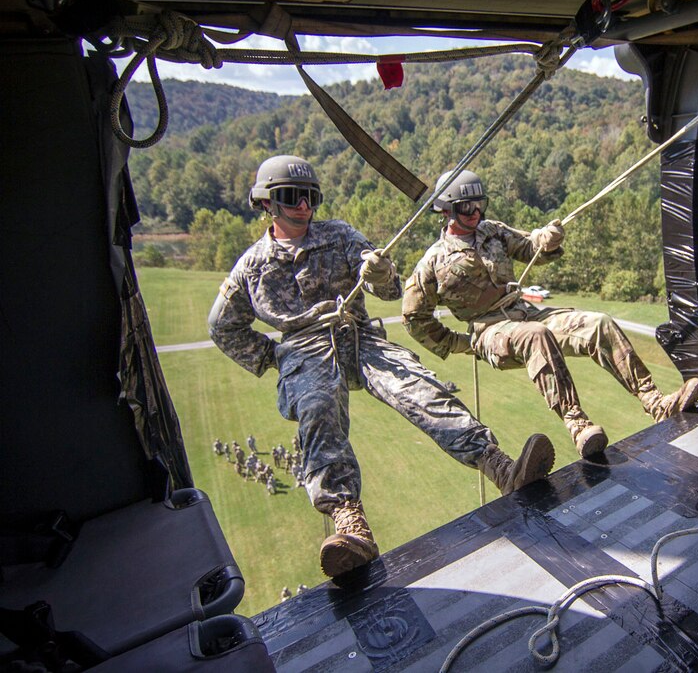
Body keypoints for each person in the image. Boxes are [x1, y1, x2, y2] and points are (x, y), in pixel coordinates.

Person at [209, 155, 556, 578]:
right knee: (318, 406)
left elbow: (391, 289)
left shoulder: (339, 236)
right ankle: (349, 523)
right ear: (267, 203)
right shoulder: (252, 266)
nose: (303, 205)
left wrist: (378, 272)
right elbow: (222, 325)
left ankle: (501, 467)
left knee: (421, 389)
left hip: (360, 336)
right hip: (305, 347)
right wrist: (272, 359)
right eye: (291, 197)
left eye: (309, 196)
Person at [402, 170, 698, 458]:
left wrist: (548, 240)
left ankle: (655, 403)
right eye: (467, 206)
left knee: (599, 324)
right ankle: (577, 424)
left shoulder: (493, 232)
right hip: (490, 332)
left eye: (480, 204)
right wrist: (457, 343)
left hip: (526, 314)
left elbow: (531, 247)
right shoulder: (433, 263)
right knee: (536, 335)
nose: (476, 212)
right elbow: (414, 317)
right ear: (447, 211)